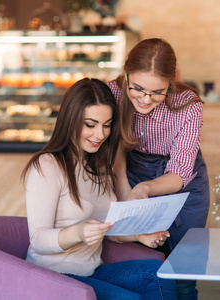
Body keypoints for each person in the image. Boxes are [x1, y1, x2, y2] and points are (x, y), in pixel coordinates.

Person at [22, 78, 177, 300]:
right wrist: (77, 232)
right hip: (53, 276)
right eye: (90, 124)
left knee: (159, 273)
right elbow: (38, 239)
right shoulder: (47, 165)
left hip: (92, 273)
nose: (100, 135)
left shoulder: (99, 164)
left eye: (106, 125)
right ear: (70, 120)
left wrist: (138, 235)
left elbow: (107, 229)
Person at [107, 38, 210, 300]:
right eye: (138, 88)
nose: (145, 99)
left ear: (171, 82)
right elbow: (115, 145)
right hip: (131, 170)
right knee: (148, 263)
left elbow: (180, 172)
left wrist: (146, 188)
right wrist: (124, 187)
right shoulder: (113, 93)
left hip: (183, 185)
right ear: (126, 74)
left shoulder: (188, 105)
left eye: (157, 92)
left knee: (184, 270)